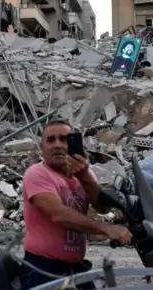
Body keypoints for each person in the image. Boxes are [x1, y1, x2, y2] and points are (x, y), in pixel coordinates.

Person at [19, 120, 132, 290]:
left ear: (73, 144)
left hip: (75, 268)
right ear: (42, 149)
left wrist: (84, 175)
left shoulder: (84, 174)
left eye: (64, 139)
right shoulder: (37, 173)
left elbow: (102, 207)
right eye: (51, 140)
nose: (57, 145)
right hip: (43, 269)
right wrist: (106, 228)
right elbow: (58, 214)